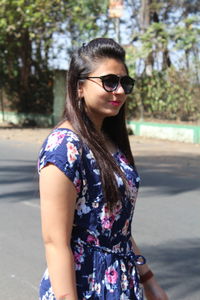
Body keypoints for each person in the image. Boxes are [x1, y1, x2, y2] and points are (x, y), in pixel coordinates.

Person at [38, 38, 168, 300]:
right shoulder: (64, 146)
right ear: (79, 87)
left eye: (125, 83)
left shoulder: (109, 141)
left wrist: (149, 281)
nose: (119, 90)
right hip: (84, 286)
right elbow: (55, 241)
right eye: (109, 81)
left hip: (122, 283)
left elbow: (116, 228)